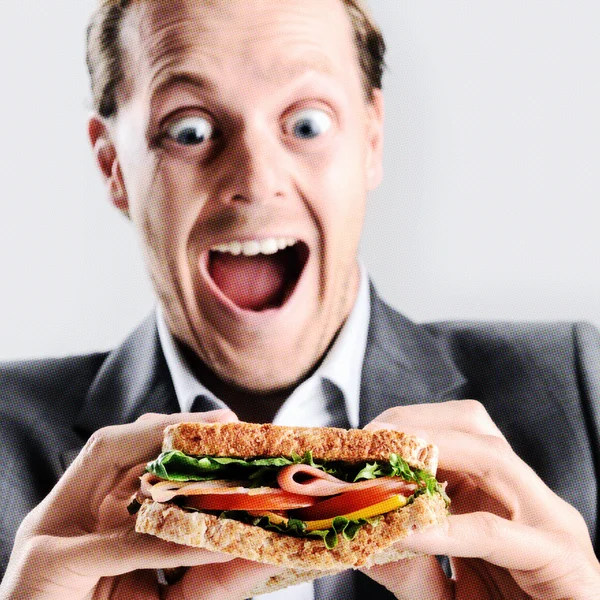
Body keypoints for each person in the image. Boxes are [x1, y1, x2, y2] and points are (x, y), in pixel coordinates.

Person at [0, 0, 598, 598]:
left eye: (306, 124)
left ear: (371, 139)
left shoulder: (581, 389)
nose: (257, 179)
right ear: (112, 165)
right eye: (189, 131)